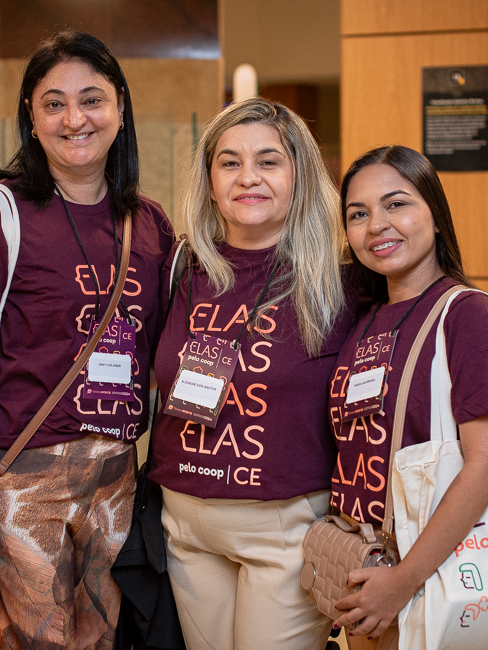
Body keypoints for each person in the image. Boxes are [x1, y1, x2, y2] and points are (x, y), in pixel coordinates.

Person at [0, 31, 174, 650]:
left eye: (92, 99)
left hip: (119, 477)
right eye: (53, 103)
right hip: (21, 480)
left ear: (120, 110)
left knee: (109, 640)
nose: (75, 119)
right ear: (30, 120)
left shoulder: (149, 223)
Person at [147, 97, 353, 650]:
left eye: (269, 161)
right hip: (186, 523)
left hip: (285, 528)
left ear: (299, 175)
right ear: (210, 180)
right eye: (229, 162)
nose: (248, 178)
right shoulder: (182, 269)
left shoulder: (342, 282)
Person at [328, 145, 488, 648]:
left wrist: (404, 579)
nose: (377, 226)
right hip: (368, 564)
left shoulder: (467, 314)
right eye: (358, 213)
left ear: (435, 215)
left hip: (427, 569)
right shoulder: (363, 317)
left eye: (397, 204)